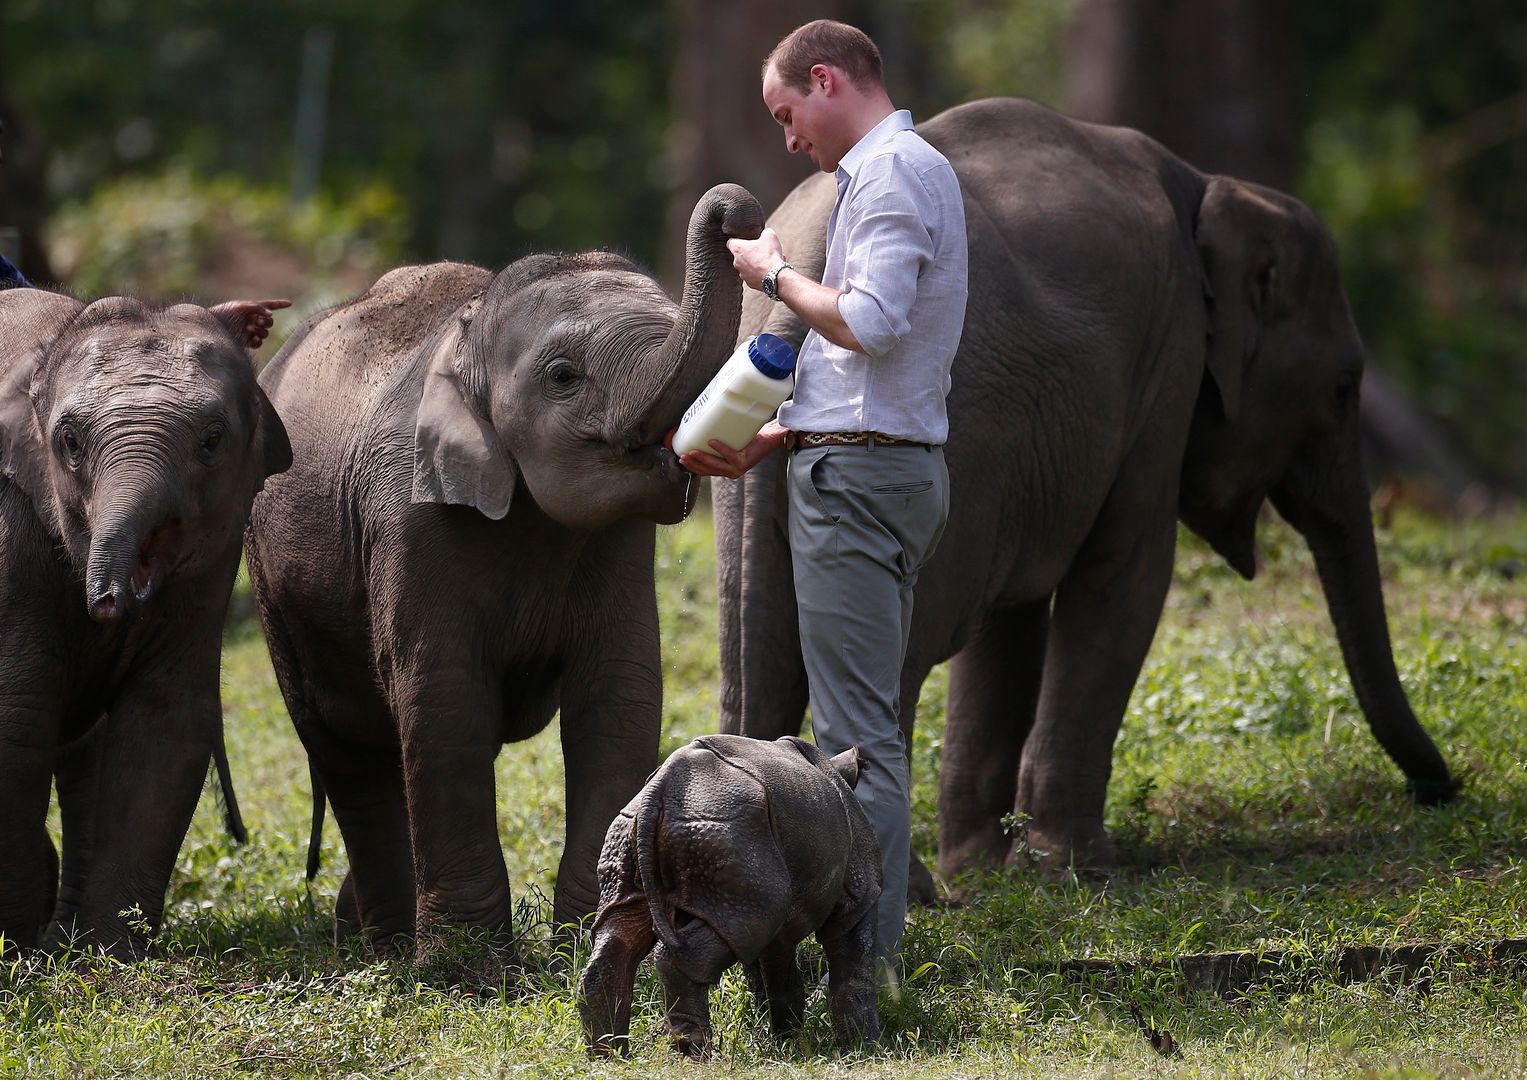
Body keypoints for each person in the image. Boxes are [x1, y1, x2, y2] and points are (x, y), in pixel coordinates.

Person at [679, 19, 968, 974]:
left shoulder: (891, 174)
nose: (787, 138)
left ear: (824, 78)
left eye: (786, 113)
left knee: (855, 741)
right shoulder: (896, 174)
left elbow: (874, 326)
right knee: (864, 721)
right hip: (873, 462)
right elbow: (884, 359)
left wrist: (775, 274)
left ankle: (868, 968)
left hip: (860, 482)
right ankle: (865, 952)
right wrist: (783, 431)